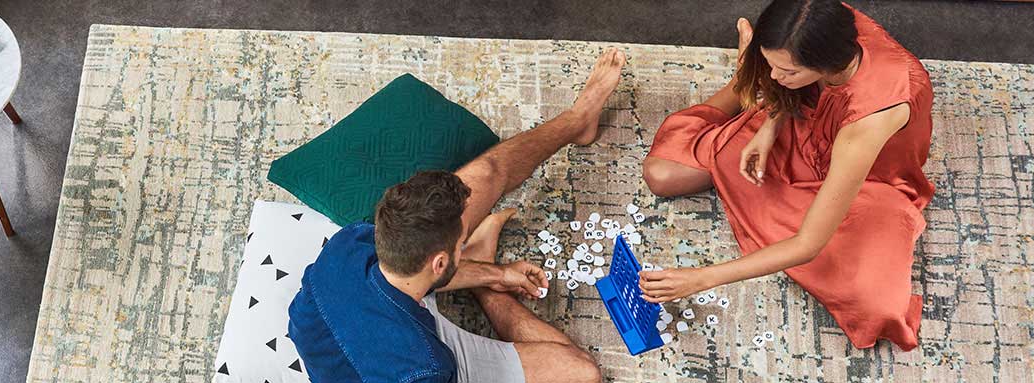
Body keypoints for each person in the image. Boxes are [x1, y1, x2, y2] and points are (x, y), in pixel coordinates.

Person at [286, 49, 624, 383]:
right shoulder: (427, 369)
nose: (461, 240)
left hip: (394, 322)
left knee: (488, 172)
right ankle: (487, 289)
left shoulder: (351, 242)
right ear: (438, 263)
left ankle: (578, 119)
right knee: (583, 372)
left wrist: (499, 274)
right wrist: (492, 282)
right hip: (413, 362)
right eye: (460, 244)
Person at [638, 0, 932, 351]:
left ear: (824, 64)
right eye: (769, 64)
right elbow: (790, 86)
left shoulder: (871, 116)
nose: (773, 79)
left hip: (867, 180)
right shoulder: (818, 14)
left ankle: (743, 79)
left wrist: (701, 278)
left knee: (874, 304)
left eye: (785, 72)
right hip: (804, 122)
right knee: (663, 173)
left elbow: (808, 245)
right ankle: (741, 80)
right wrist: (771, 125)